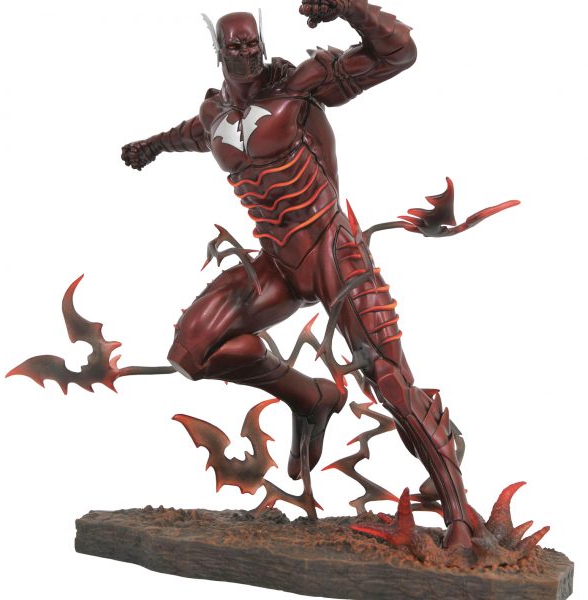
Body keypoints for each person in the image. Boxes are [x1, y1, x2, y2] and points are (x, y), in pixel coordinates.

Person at [121, 0, 473, 548]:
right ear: (218, 51)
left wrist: (349, 8)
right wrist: (151, 147)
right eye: (234, 46)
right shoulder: (215, 115)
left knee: (388, 380)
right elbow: (191, 134)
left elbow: (397, 54)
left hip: (333, 250)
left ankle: (461, 517)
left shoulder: (299, 88)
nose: (245, 53)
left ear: (261, 45)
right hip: (278, 264)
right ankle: (310, 397)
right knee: (192, 351)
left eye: (251, 44)